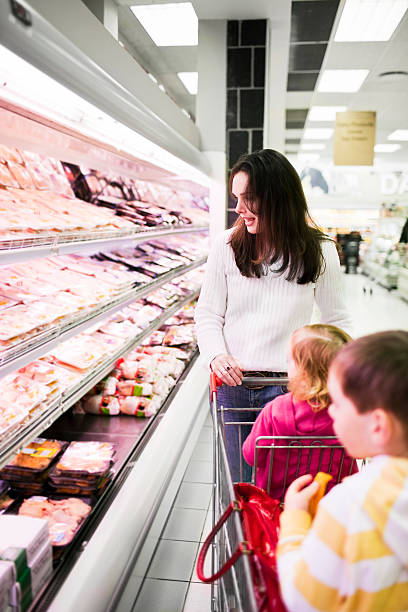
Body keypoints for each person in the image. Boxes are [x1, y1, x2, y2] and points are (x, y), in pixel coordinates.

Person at [194, 149, 352, 481]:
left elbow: (337, 320)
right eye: (236, 197)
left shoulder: (320, 250)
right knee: (239, 485)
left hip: (292, 389)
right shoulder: (226, 246)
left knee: (284, 486)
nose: (237, 209)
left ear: (277, 198)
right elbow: (208, 313)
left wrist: (345, 374)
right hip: (234, 386)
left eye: (248, 198)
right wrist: (215, 355)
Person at [277, 330, 408, 611]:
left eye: (337, 403)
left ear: (378, 426)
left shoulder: (349, 503)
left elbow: (302, 599)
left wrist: (295, 518)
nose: (331, 412)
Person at [242, 324, 356, 499]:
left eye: (290, 361)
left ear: (303, 372)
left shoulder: (274, 411)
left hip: (279, 500)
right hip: (332, 501)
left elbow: (252, 456)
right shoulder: (348, 413)